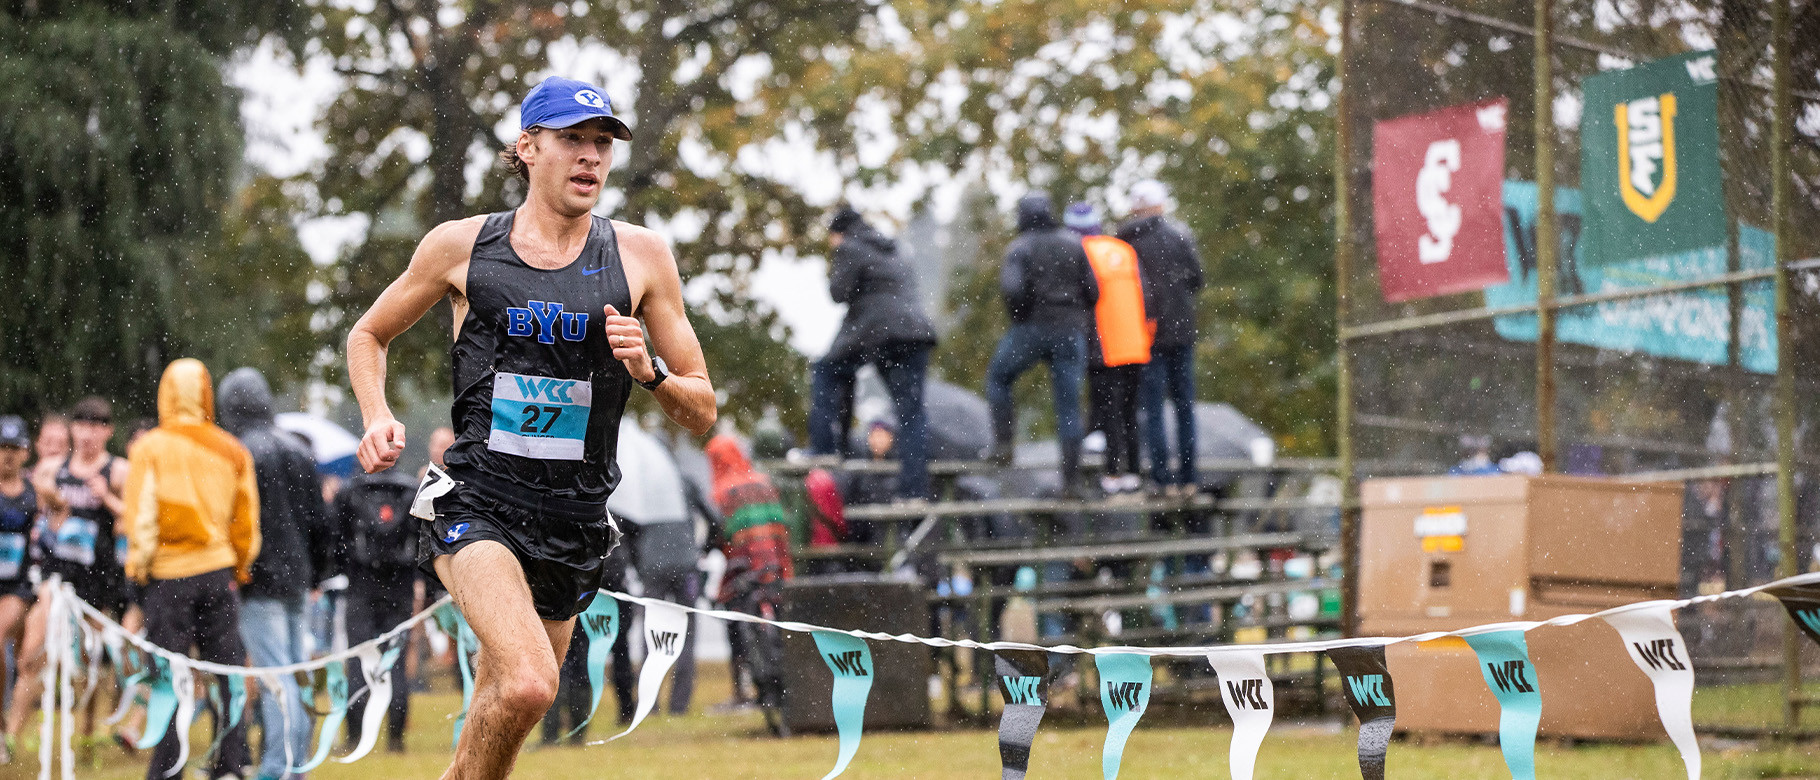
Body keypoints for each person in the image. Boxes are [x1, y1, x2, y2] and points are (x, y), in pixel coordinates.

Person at [344, 75, 715, 779]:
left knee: (501, 721)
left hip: (574, 523)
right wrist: (377, 414)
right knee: (528, 681)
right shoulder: (462, 247)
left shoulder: (641, 257)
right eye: (573, 139)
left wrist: (651, 373)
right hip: (478, 504)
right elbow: (369, 333)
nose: (591, 158)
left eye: (602, 143)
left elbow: (702, 407)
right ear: (528, 147)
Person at [122, 358, 261, 780]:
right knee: (227, 673)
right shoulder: (233, 448)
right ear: (206, 393)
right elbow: (247, 520)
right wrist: (239, 565)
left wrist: (138, 568)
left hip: (167, 578)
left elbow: (142, 516)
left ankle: (168, 768)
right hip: (219, 573)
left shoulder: (149, 447)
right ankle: (231, 764)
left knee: (169, 676)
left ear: (165, 393)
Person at [217, 367, 329, 780]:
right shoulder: (297, 450)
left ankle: (279, 769)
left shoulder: (238, 452)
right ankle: (295, 767)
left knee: (275, 682)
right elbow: (322, 522)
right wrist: (316, 575)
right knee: (294, 678)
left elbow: (235, 522)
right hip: (298, 580)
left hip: (258, 583)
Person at [806, 207, 938, 501]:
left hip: (877, 330)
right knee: (912, 413)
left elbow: (837, 292)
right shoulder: (895, 249)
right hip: (915, 332)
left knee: (827, 370)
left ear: (837, 233)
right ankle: (913, 492)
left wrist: (839, 254)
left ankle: (825, 448)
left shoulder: (849, 247)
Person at [985, 193, 1099, 495]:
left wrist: (1022, 317)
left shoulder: (1020, 247)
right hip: (1070, 331)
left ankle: (1004, 446)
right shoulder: (1074, 244)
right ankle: (1071, 483)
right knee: (1069, 407)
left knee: (999, 378)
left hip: (1032, 328)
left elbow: (1012, 289)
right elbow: (1094, 290)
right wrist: (1075, 315)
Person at [1117, 180, 1204, 496]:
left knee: (1152, 410)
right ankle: (1189, 478)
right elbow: (1197, 279)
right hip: (1181, 332)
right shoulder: (1179, 237)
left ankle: (1161, 479)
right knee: (1184, 408)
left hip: (1147, 334)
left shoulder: (1127, 241)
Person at [333, 464, 421, 754]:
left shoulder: (351, 490)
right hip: (400, 586)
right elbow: (423, 539)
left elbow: (336, 538)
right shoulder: (411, 490)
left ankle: (355, 735)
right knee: (395, 661)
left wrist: (346, 566)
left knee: (358, 658)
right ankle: (395, 738)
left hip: (361, 584)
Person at [1066, 202, 1151, 498]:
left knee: (1109, 411)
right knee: (1130, 411)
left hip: (1104, 344)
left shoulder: (1081, 252)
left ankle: (1113, 472)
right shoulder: (1123, 250)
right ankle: (1134, 473)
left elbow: (1086, 297)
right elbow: (1147, 295)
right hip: (1136, 343)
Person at [0, 418, 38, 764]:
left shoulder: (36, 492)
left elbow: (61, 513)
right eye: (2, 448)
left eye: (14, 448)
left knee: (17, 652)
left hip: (20, 588)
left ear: (25, 451)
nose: (8, 456)